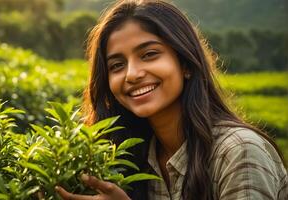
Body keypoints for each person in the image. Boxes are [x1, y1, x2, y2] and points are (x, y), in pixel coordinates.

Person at [55, 0, 288, 199]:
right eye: (117, 65)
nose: (132, 74)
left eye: (149, 54)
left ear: (185, 63)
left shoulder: (238, 151)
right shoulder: (135, 157)